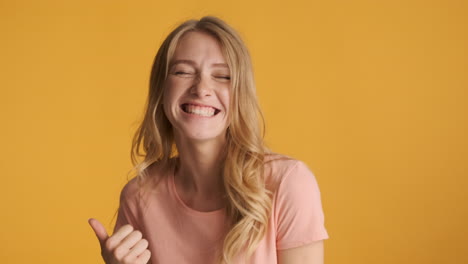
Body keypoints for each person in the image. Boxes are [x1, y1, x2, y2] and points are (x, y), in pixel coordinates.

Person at [88, 16, 329, 264]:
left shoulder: (288, 183)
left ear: (241, 95)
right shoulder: (139, 197)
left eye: (223, 76)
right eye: (183, 72)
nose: (201, 88)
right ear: (161, 89)